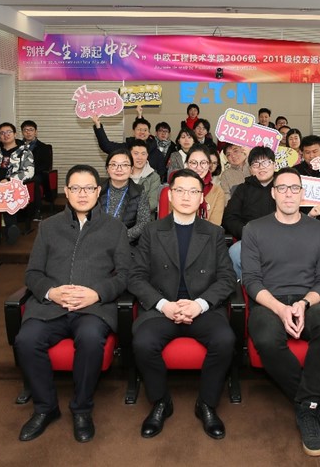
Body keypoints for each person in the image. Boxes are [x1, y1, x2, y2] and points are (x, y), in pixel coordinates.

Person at [15, 164, 132, 444]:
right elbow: (32, 274)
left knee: (90, 338)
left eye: (89, 188)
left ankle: (81, 409)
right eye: (76, 188)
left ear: (98, 191)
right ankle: (45, 408)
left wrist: (97, 294)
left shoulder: (115, 228)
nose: (82, 194)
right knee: (26, 340)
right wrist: (51, 292)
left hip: (93, 308)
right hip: (50, 307)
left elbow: (126, 275)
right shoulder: (48, 227)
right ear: (66, 192)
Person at [242, 167, 320, 457]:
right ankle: (314, 405)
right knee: (265, 336)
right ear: (273, 193)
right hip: (269, 302)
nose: (288, 194)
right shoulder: (254, 229)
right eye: (282, 188)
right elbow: (251, 280)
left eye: (294, 188)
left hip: (307, 300)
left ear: (303, 193)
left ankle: (305, 406)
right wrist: (280, 308)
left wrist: (303, 304)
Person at [129, 168, 237, 440]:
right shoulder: (152, 231)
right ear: (169, 195)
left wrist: (199, 304)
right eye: (179, 190)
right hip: (162, 309)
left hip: (202, 308)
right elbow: (136, 276)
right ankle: (160, 401)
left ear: (202, 197)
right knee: (143, 342)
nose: (186, 197)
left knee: (224, 340)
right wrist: (163, 305)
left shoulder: (214, 233)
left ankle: (207, 403)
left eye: (193, 191)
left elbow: (227, 278)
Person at [222, 147, 277, 279]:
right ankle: (243, 288)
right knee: (235, 252)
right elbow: (229, 218)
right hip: (250, 239)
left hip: (280, 237)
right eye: (256, 164)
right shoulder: (243, 189)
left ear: (274, 165)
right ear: (251, 169)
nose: (261, 167)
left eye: (266, 162)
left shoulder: (283, 187)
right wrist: (247, 232)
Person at [92, 113, 166, 182]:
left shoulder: (156, 153)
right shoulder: (126, 147)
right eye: (139, 129)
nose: (142, 132)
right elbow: (106, 146)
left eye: (145, 130)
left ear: (149, 133)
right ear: (133, 131)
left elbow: (161, 172)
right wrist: (98, 126)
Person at [100, 149, 150, 244]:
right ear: (107, 169)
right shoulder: (97, 190)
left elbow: (143, 223)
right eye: (114, 165)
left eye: (124, 165)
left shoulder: (139, 192)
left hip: (126, 244)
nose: (119, 169)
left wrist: (121, 238)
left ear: (131, 169)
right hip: (98, 242)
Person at [182, 146, 225, 226]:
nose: (199, 167)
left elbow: (214, 225)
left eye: (203, 163)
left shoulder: (217, 192)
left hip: (207, 233)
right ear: (187, 164)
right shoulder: (177, 188)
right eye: (193, 163)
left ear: (209, 165)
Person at [20, 120, 54, 220]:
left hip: (37, 174)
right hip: (20, 173)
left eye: (31, 130)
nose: (28, 132)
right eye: (25, 130)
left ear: (36, 132)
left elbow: (45, 165)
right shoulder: (18, 146)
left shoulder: (44, 147)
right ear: (22, 132)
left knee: (33, 181)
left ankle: (36, 211)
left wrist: (29, 172)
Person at [128, 139, 161, 219]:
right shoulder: (122, 174)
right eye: (136, 154)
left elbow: (153, 203)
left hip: (145, 219)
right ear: (129, 155)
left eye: (143, 154)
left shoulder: (154, 177)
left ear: (147, 155)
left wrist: (131, 211)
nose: (140, 157)